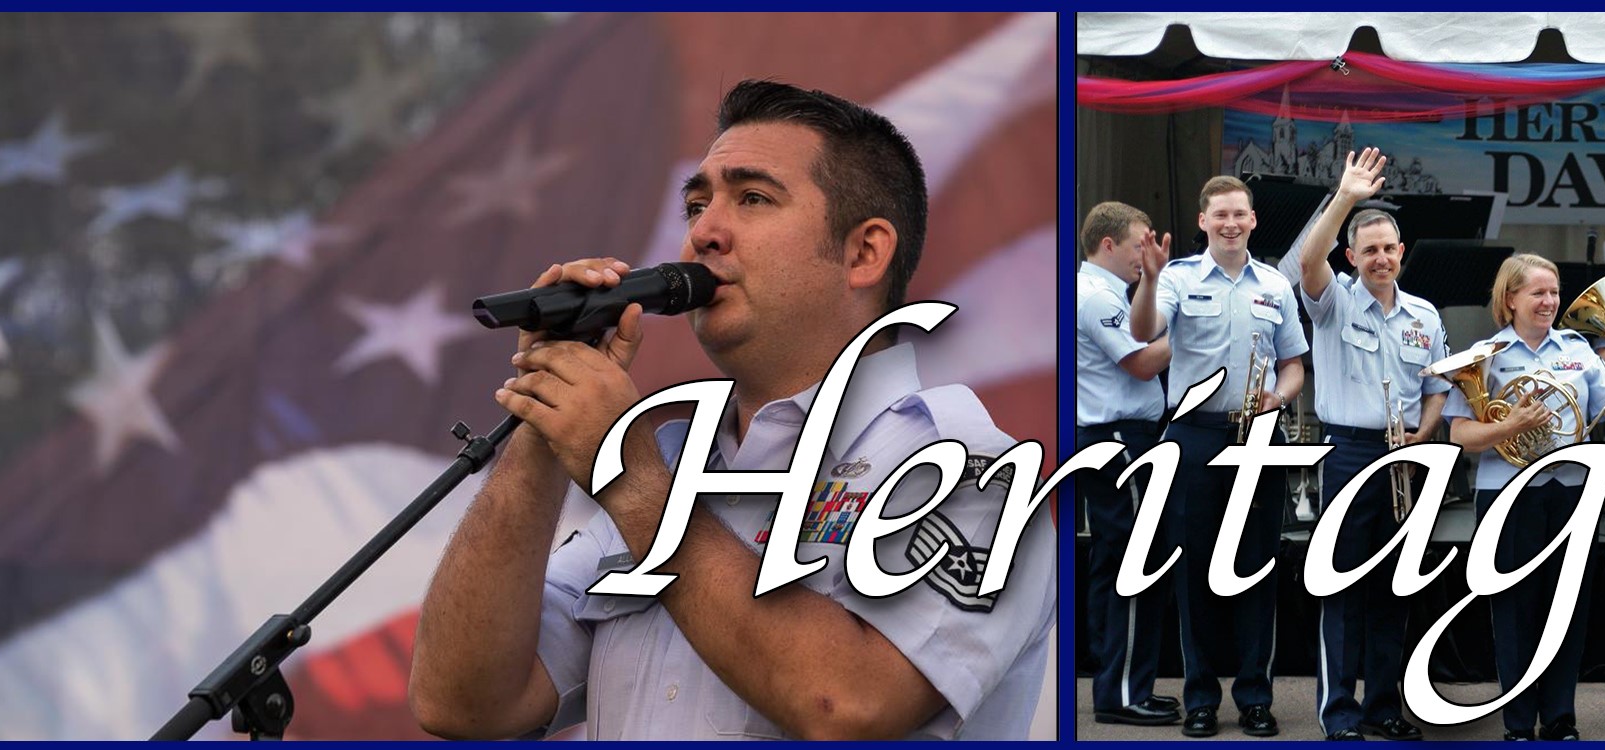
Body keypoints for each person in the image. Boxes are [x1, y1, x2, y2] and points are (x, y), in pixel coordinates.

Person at [407, 80, 1050, 740]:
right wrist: (543, 424)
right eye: (696, 205)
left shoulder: (974, 469)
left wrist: (626, 477)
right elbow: (462, 703)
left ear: (864, 252)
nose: (703, 234)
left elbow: (847, 702)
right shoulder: (669, 467)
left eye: (752, 198)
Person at [1448, 254, 1605, 741]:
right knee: (1512, 610)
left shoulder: (1578, 350)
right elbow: (1461, 433)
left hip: (1572, 491)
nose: (1550, 302)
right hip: (1506, 493)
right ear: (1510, 299)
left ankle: (1560, 717)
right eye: (1538, 293)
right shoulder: (1484, 354)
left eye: (1554, 292)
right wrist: (1509, 426)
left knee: (1565, 609)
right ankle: (1517, 722)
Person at [1282, 147, 1448, 741]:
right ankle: (1340, 714)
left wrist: (1427, 427)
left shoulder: (1425, 315)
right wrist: (1345, 196)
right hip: (1349, 453)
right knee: (1344, 586)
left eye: (1389, 249)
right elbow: (1307, 260)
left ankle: (1383, 707)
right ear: (1351, 256)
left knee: (1394, 588)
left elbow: (1438, 385)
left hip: (1405, 457)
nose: (1380, 258)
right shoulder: (1333, 301)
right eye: (1368, 249)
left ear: (1402, 254)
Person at [1140, 175, 1310, 737]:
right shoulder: (1177, 278)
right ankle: (1201, 700)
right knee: (1193, 571)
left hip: (1260, 434)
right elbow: (1145, 331)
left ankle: (1256, 698)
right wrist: (1147, 277)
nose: (1231, 223)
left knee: (1258, 567)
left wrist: (1280, 397)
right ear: (1203, 221)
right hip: (1195, 436)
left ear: (1253, 220)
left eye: (1240, 214)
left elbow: (1294, 364)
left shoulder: (1276, 285)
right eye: (1220, 215)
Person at [1076, 201, 1182, 727]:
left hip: (1116, 437)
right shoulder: (1096, 296)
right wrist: (1192, 335)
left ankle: (1115, 681)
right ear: (1108, 244)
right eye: (1142, 243)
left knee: (1114, 564)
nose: (1150, 254)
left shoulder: (1106, 293)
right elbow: (1141, 365)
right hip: (1120, 439)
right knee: (1137, 566)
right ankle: (1121, 692)